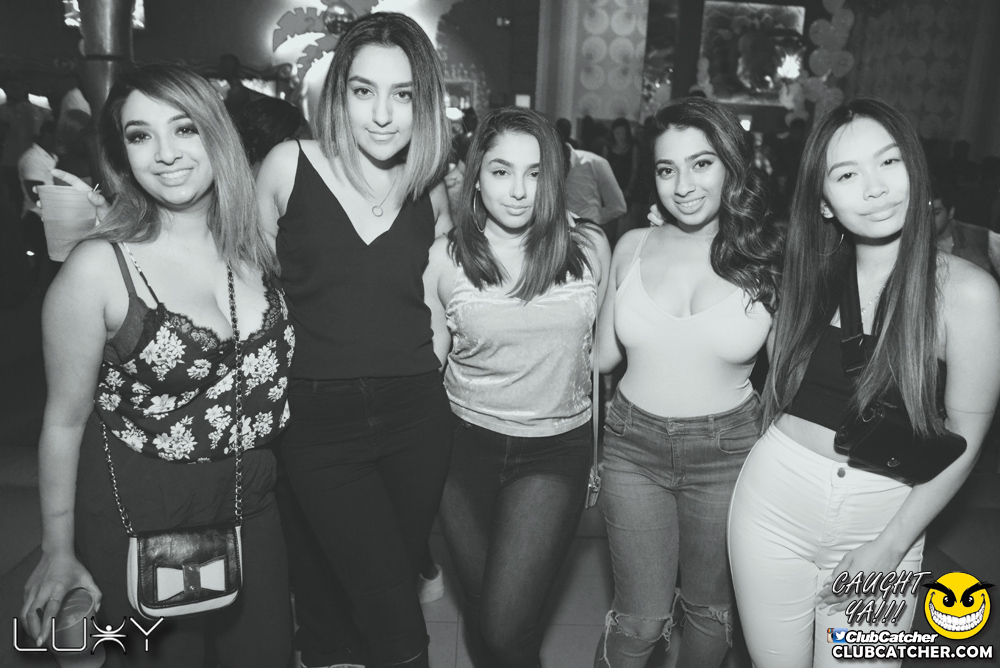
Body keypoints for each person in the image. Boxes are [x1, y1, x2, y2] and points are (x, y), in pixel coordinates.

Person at [19, 63, 293, 667]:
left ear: (216, 134)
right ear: (123, 153)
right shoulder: (98, 269)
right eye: (140, 135)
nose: (165, 153)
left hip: (253, 500)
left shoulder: (259, 247)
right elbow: (64, 420)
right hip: (142, 514)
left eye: (184, 128)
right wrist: (57, 549)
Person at [729, 98, 1000, 668]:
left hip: (886, 516)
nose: (875, 189)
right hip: (772, 506)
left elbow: (966, 437)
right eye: (847, 175)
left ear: (915, 169)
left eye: (889, 162)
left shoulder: (968, 293)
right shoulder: (804, 275)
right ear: (824, 201)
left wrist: (891, 545)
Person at [255, 12, 455, 668]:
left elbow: (436, 303)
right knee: (393, 612)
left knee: (358, 588)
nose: (383, 115)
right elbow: (253, 286)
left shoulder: (429, 188)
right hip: (318, 424)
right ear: (339, 91)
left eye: (403, 94)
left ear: (425, 103)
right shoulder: (288, 165)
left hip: (417, 419)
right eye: (364, 90)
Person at [594, 96, 781, 667]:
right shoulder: (631, 246)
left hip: (730, 454)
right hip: (631, 447)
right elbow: (601, 357)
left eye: (701, 163)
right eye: (666, 168)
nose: (683, 186)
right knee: (639, 622)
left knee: (709, 613)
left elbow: (790, 382)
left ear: (731, 165)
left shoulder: (767, 259)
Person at [423, 106, 610, 666]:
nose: (520, 190)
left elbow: (602, 360)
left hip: (554, 451)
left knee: (505, 627)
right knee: (494, 625)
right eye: (502, 171)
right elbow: (425, 369)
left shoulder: (588, 248)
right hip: (460, 451)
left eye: (535, 172)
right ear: (476, 175)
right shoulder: (444, 260)